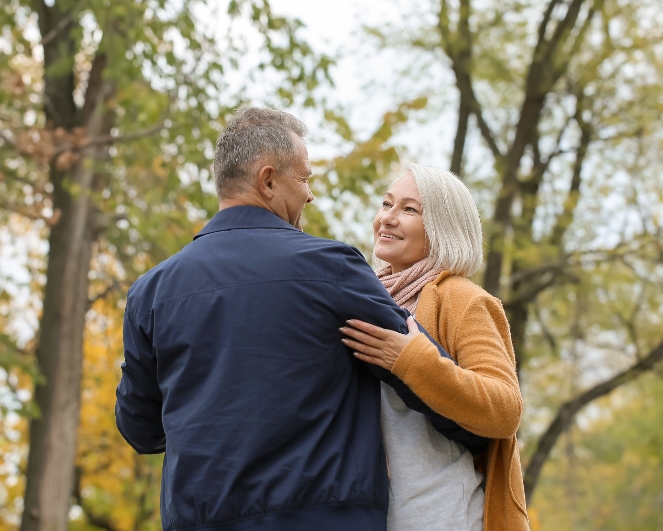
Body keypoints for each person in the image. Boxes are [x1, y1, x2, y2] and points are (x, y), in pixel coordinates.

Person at [115, 108, 485, 531]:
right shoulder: (333, 268)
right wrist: (479, 438)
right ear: (268, 180)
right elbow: (441, 397)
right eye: (304, 178)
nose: (310, 195)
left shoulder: (151, 292)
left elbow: (140, 430)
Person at [340, 164, 529, 531]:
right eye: (386, 204)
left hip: (440, 514)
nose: (387, 219)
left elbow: (505, 409)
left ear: (443, 226)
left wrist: (410, 360)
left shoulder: (464, 300)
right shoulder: (365, 297)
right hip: (370, 513)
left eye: (409, 210)